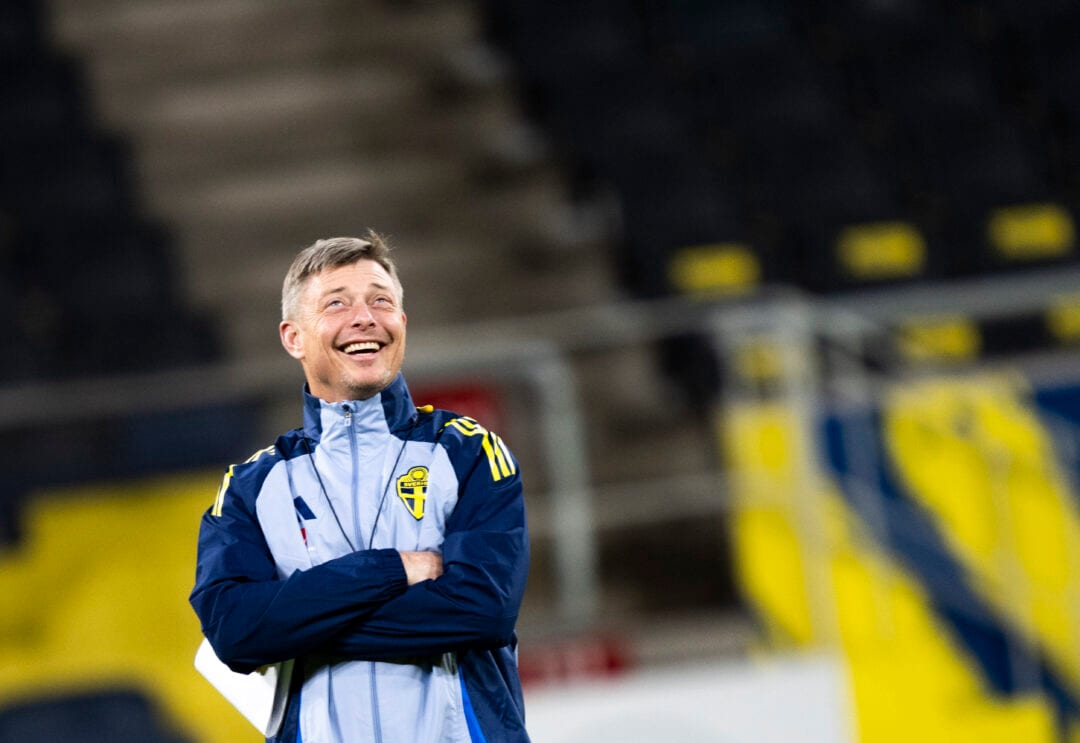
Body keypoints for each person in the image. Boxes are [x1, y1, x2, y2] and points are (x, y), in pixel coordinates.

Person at [190, 232, 531, 742]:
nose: (365, 318)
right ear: (293, 338)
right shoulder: (249, 488)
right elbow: (233, 632)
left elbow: (483, 611)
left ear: (402, 323)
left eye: (381, 301)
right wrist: (391, 569)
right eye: (337, 304)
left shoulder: (470, 452)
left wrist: (295, 626)